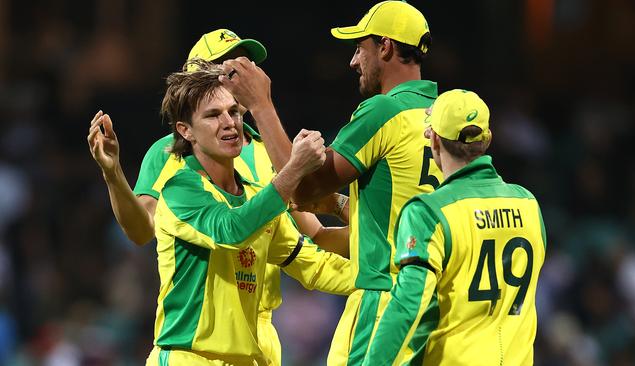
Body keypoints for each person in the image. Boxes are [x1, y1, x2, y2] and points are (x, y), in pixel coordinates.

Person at [86, 29, 350, 366]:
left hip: (257, 333)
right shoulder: (170, 160)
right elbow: (143, 230)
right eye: (231, 67)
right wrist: (114, 175)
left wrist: (386, 254)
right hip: (196, 338)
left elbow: (313, 241)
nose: (244, 75)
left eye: (246, 64)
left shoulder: (265, 149)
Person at [218, 2, 442, 364]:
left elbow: (304, 188)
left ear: (385, 47)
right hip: (436, 304)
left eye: (360, 48)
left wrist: (261, 105)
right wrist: (337, 204)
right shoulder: (445, 117)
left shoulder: (384, 111)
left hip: (386, 300)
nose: (354, 61)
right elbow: (399, 216)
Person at [362, 89, 547, 365]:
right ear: (488, 139)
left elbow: (407, 305)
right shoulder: (528, 203)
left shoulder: (427, 212)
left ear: (433, 139)